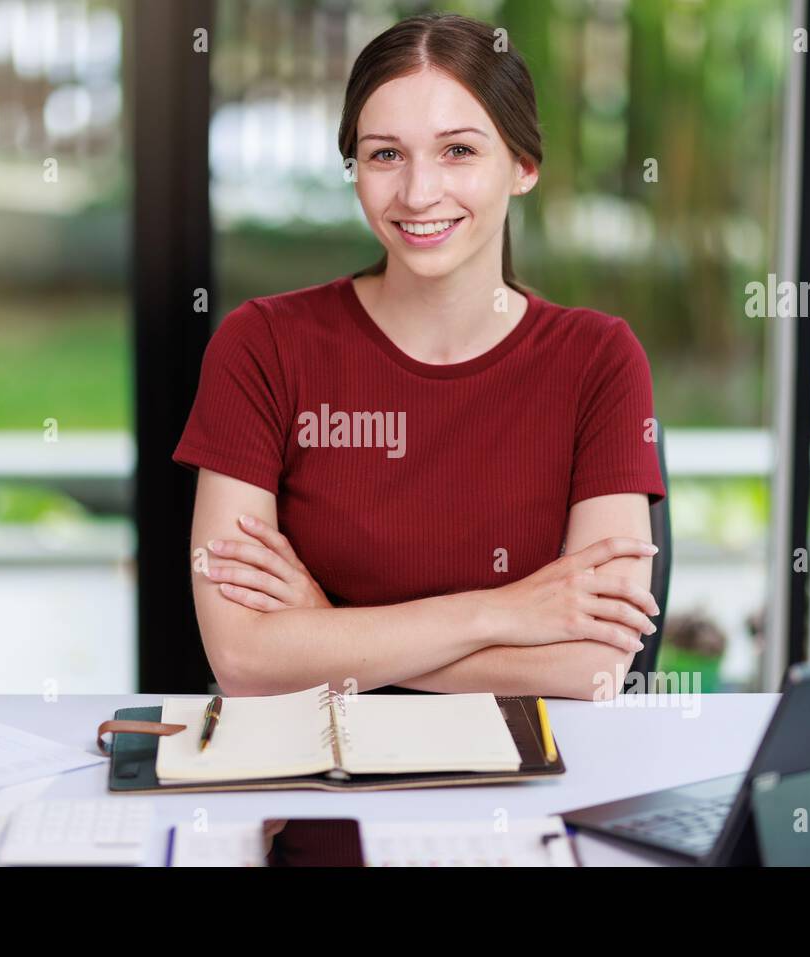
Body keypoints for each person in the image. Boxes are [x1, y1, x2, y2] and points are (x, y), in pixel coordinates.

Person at [173, 12, 665, 700]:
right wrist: (503, 613)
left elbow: (595, 665)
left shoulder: (599, 359)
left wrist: (326, 631)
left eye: (458, 151)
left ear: (522, 166)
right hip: (315, 769)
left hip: (522, 779)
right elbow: (242, 656)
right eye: (385, 154)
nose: (418, 192)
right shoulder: (262, 345)